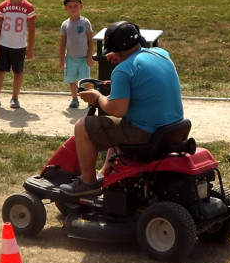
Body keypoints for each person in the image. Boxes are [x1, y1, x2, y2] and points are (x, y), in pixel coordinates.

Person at [60, 21, 184, 196]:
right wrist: (120, 86)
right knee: (117, 128)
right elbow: (146, 83)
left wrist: (97, 98)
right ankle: (105, 175)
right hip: (172, 129)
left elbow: (116, 109)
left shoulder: (123, 70)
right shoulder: (162, 54)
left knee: (83, 126)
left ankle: (88, 183)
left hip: (146, 134)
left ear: (116, 49)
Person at [0, 0, 35, 109]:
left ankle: (15, 97)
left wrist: (30, 48)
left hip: (19, 46)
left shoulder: (28, 7)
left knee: (18, 72)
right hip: (4, 44)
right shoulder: (2, 6)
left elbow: (32, 29)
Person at [58, 0, 94, 109]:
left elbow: (90, 41)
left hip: (83, 58)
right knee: (72, 80)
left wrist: (89, 57)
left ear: (81, 6)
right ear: (65, 8)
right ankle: (74, 98)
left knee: (86, 80)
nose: (73, 8)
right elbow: (62, 43)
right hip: (70, 58)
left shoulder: (85, 22)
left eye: (76, 6)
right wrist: (61, 59)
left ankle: (92, 99)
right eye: (70, 6)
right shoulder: (65, 25)